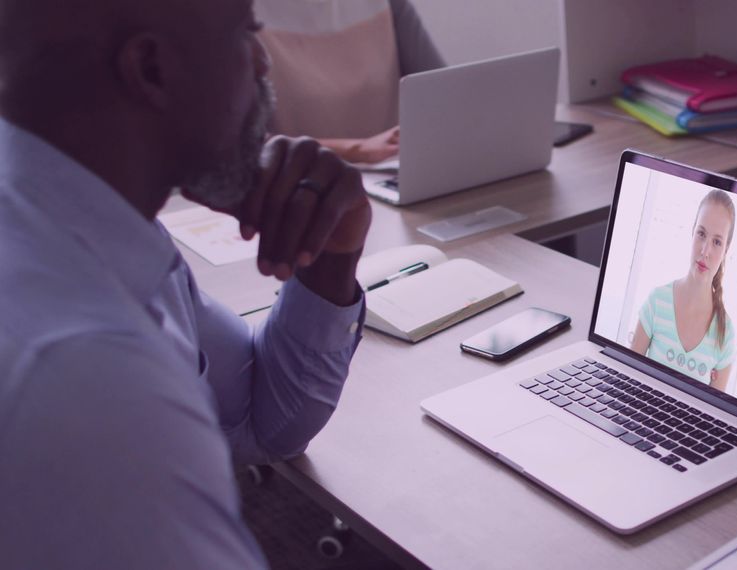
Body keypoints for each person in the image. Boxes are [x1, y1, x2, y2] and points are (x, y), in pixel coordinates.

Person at [0, 0, 373, 566]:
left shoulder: (89, 219)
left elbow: (258, 424)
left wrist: (330, 254)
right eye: (245, 34)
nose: (263, 63)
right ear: (152, 69)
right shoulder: (90, 382)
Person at [255, 0, 445, 164]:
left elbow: (443, 96)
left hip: (395, 180)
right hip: (302, 188)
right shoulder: (243, 14)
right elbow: (247, 147)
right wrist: (355, 150)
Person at [631, 190, 737, 391]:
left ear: (726, 250)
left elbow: (712, 409)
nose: (705, 251)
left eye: (717, 242)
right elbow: (627, 378)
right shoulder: (657, 302)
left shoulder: (726, 334)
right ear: (692, 232)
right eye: (701, 234)